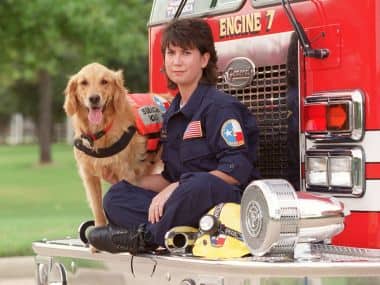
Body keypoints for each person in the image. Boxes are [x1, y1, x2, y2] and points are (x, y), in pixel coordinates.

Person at [88, 18, 260, 254]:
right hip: (182, 203)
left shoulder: (220, 108)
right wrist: (128, 180)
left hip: (222, 201)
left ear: (204, 59)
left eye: (186, 53)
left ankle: (144, 238)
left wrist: (178, 187)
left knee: (199, 183)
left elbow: (235, 171)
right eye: (171, 53)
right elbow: (169, 176)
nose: (176, 61)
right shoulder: (171, 114)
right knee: (117, 196)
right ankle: (176, 234)